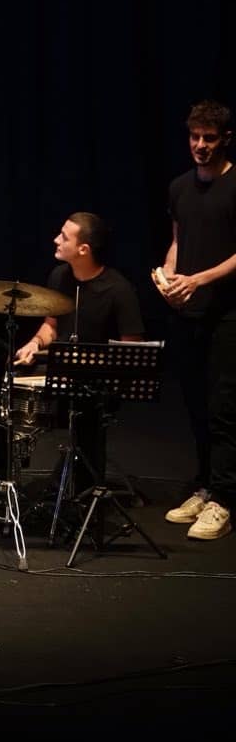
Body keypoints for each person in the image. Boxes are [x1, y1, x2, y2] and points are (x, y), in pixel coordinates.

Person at [10, 212, 145, 481]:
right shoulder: (59, 276)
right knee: (11, 380)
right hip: (62, 369)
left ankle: (83, 482)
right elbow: (51, 325)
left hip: (98, 380)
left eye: (63, 237)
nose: (55, 240)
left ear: (83, 249)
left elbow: (131, 348)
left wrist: (92, 365)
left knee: (86, 425)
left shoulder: (118, 289)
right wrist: (34, 343)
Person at [154, 100, 236, 540]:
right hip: (189, 312)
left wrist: (199, 279)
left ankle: (225, 498)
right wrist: (170, 274)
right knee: (196, 404)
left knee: (225, 407)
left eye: (209, 138)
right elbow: (178, 240)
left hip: (228, 314)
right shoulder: (180, 187)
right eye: (194, 137)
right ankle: (205, 486)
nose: (200, 145)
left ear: (225, 139)